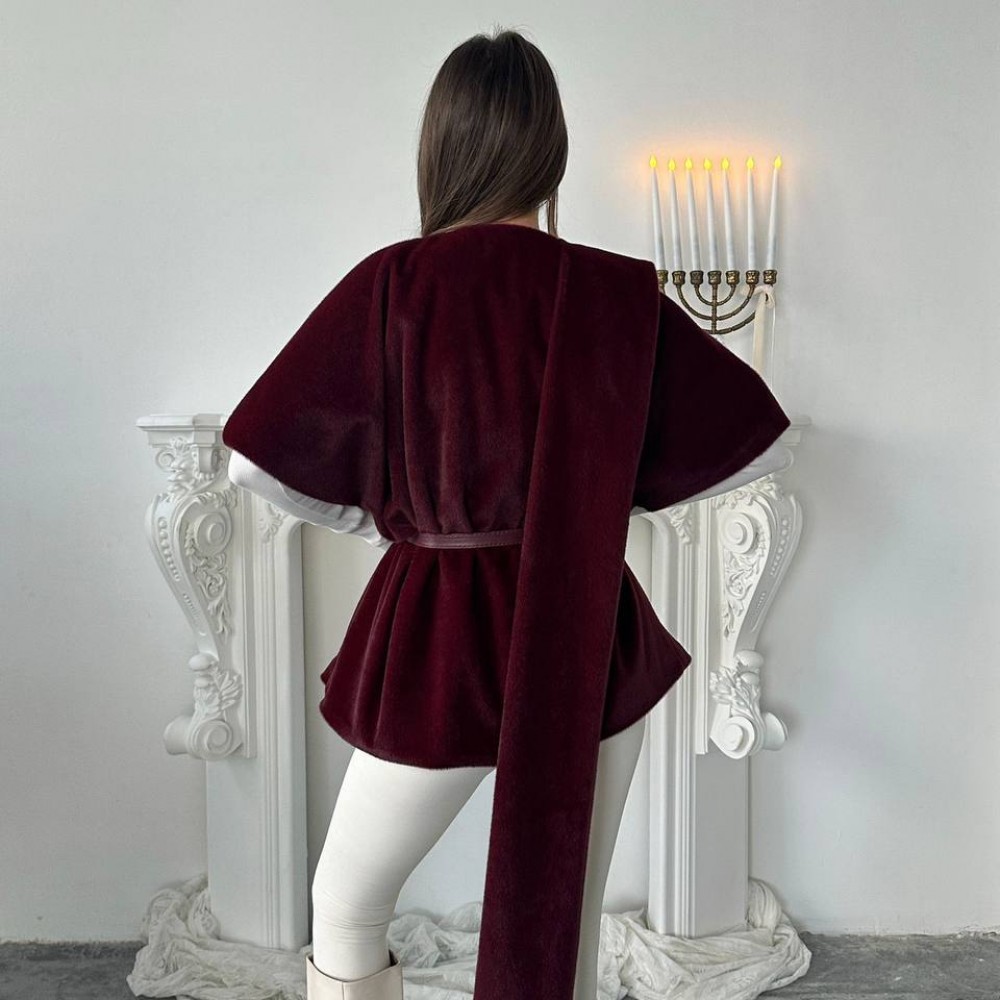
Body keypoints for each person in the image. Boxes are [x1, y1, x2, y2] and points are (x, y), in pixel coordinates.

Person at [221, 27, 792, 1000]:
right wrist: (605, 491)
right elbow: (760, 440)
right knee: (558, 927)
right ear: (551, 153)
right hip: (588, 632)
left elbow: (253, 462)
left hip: (438, 634)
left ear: (439, 148)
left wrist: (399, 521)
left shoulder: (394, 284)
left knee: (348, 906)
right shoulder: (610, 294)